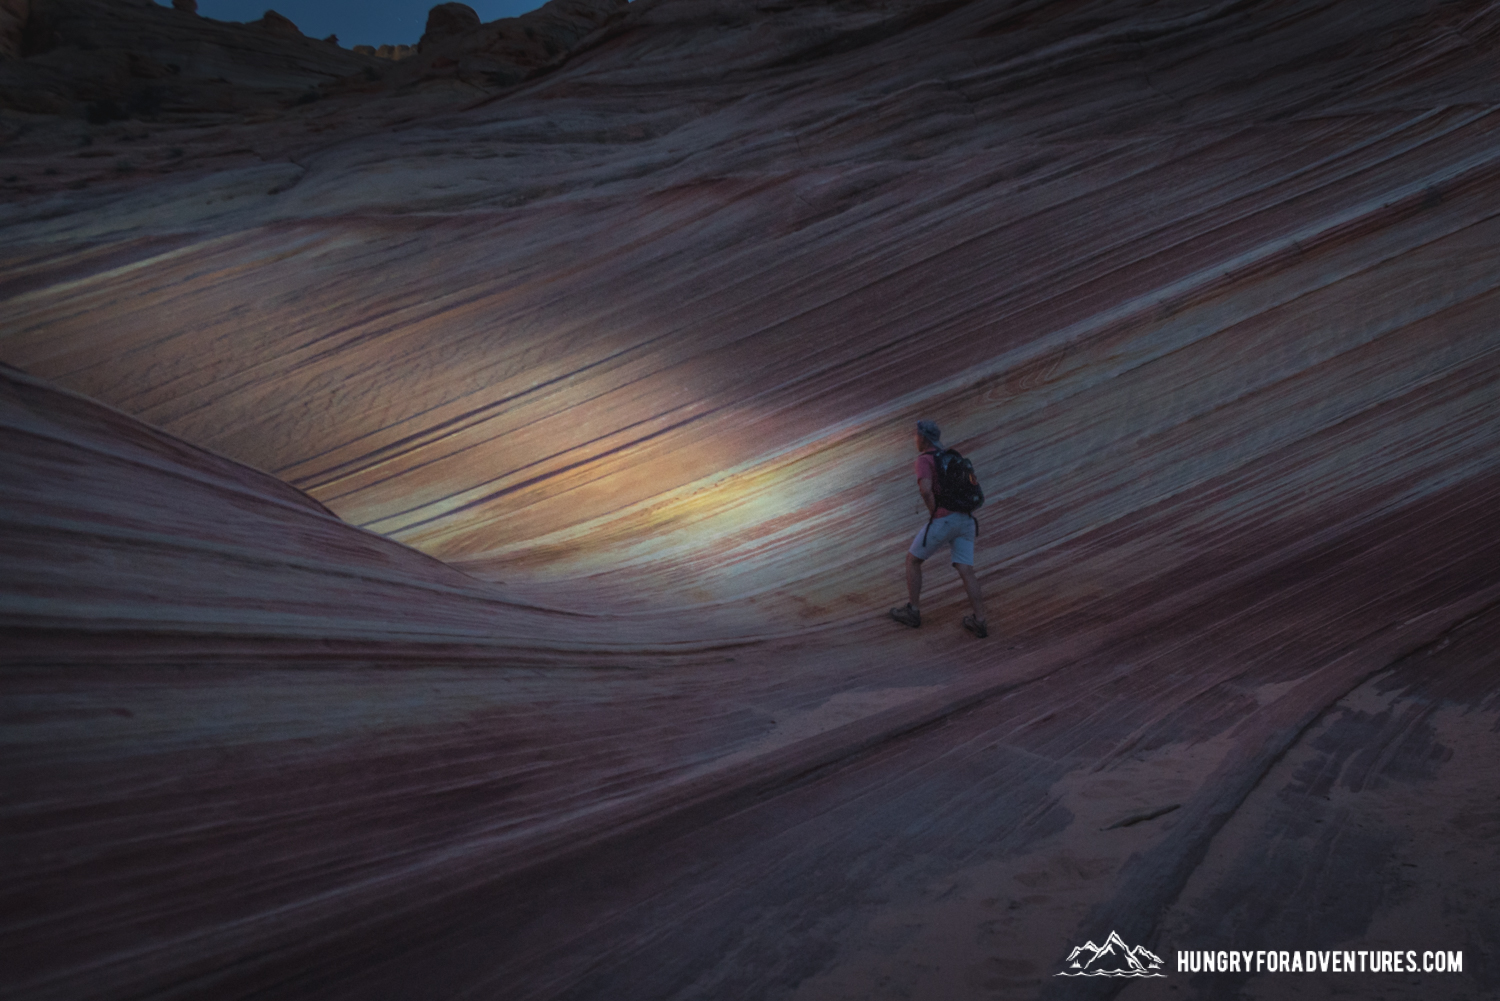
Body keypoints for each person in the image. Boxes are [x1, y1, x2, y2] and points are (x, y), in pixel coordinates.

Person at [890, 419, 988, 637]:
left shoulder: (925, 460)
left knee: (913, 560)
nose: (914, 439)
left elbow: (926, 490)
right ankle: (980, 620)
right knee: (966, 569)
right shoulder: (952, 456)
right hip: (967, 520)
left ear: (923, 437)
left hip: (944, 519)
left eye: (916, 435)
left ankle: (912, 611)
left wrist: (934, 513)